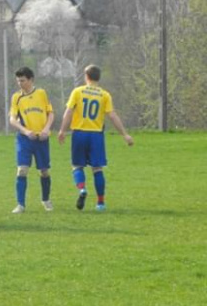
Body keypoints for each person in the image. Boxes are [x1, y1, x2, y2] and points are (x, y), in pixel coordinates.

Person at [58, 64, 134, 211]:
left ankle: (82, 189)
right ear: (98, 78)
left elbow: (68, 112)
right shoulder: (104, 95)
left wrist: (62, 130)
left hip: (79, 133)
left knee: (77, 166)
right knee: (97, 169)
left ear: (86, 76)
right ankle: (100, 203)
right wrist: (125, 134)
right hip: (96, 135)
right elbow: (112, 115)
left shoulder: (78, 92)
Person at [9, 67, 55, 214]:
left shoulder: (41, 93)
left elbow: (51, 114)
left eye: (22, 80)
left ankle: (46, 199)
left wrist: (46, 129)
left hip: (41, 139)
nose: (19, 83)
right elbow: (12, 119)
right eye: (18, 81)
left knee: (44, 172)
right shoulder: (16, 97)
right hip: (24, 139)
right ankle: (20, 205)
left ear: (31, 80)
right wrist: (25, 131)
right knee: (22, 170)